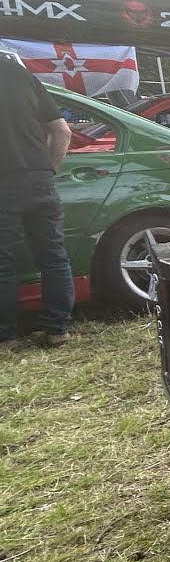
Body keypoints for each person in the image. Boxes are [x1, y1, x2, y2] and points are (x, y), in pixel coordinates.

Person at [0, 59, 74, 348]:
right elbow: (62, 131)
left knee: (2, 264)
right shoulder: (19, 72)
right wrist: (48, 170)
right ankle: (57, 330)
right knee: (54, 257)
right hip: (38, 178)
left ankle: (5, 337)